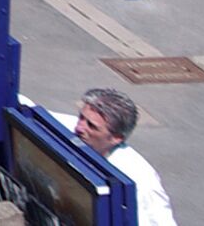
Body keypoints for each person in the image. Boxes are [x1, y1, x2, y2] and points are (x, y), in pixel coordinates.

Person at [75, 87, 178, 226]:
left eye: (91, 126)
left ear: (116, 138)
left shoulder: (141, 181)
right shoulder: (73, 133)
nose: (79, 128)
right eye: (81, 117)